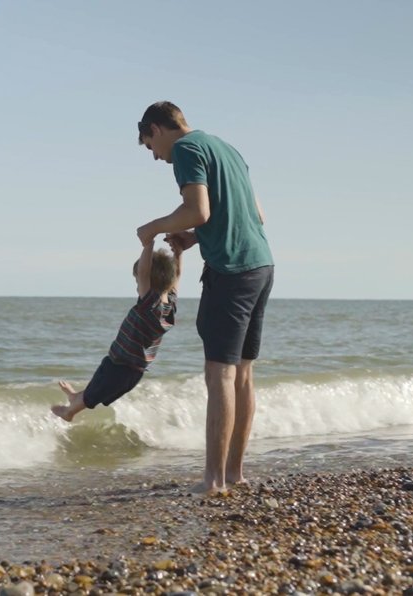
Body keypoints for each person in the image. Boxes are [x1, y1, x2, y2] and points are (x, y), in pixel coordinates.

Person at [134, 101, 274, 496]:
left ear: (157, 129)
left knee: (220, 375)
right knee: (243, 374)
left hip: (230, 272)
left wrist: (153, 228)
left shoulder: (186, 150)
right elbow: (255, 214)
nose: (156, 157)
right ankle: (234, 473)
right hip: (261, 266)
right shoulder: (227, 149)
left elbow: (197, 209)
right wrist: (195, 238)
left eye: (149, 146)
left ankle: (212, 481)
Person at [52, 241, 181, 422]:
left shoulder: (150, 306)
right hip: (126, 366)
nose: (138, 285)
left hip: (122, 368)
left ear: (148, 283)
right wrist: (178, 252)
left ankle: (69, 412)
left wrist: (149, 242)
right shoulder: (170, 306)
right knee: (95, 389)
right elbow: (176, 277)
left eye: (138, 281)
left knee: (92, 396)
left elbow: (145, 273)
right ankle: (75, 398)